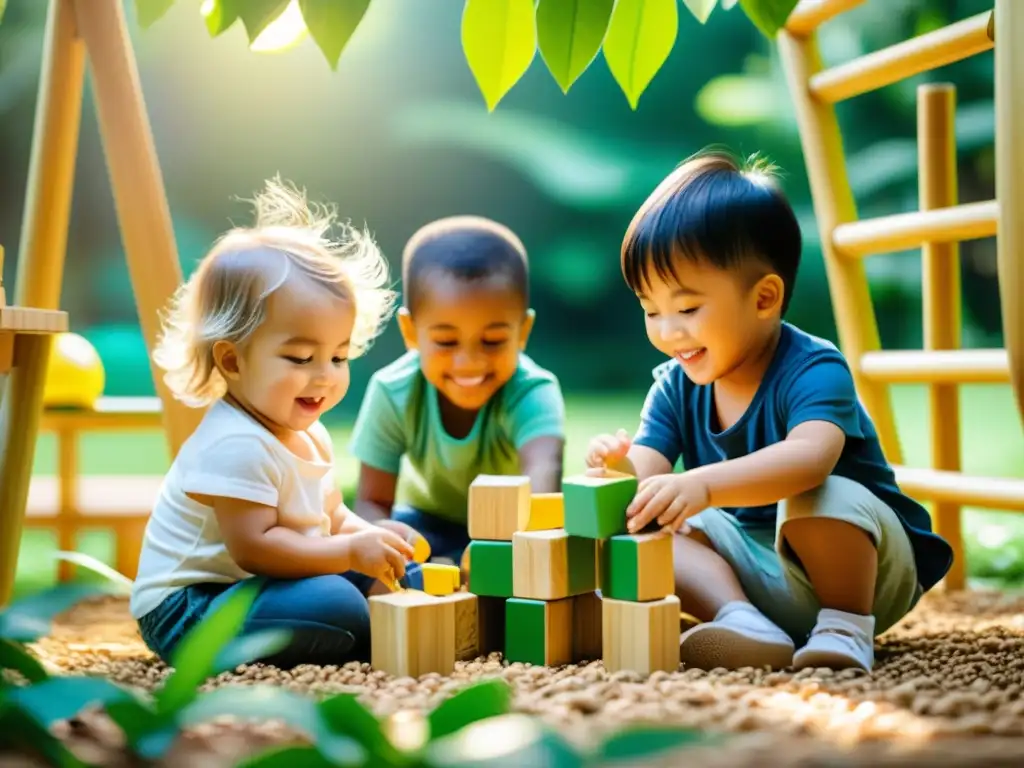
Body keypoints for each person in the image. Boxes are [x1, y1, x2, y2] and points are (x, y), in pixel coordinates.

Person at [585, 149, 953, 673]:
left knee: (817, 491)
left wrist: (705, 485)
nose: (668, 331)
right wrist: (618, 468)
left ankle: (846, 630)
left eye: (687, 308)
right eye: (651, 309)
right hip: (755, 574)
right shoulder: (674, 386)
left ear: (764, 299)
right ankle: (742, 620)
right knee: (648, 524)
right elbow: (649, 476)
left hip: (863, 575)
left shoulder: (814, 368)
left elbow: (810, 458)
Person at [129, 178, 417, 669]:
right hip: (190, 609)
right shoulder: (235, 444)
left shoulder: (309, 433)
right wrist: (349, 551)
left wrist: (369, 536)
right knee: (337, 603)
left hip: (256, 588)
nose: (324, 376)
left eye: (340, 356)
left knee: (392, 577)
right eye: (302, 357)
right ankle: (350, 632)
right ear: (233, 360)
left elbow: (329, 520)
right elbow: (256, 549)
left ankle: (366, 630)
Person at [349, 215, 566, 572]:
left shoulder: (534, 392)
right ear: (410, 331)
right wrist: (385, 535)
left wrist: (496, 548)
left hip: (510, 527)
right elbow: (371, 502)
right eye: (446, 341)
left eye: (493, 340)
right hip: (423, 523)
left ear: (522, 331)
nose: (469, 362)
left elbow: (542, 489)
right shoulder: (392, 390)